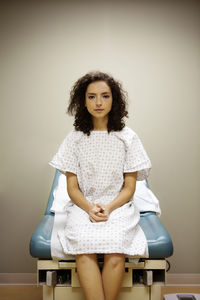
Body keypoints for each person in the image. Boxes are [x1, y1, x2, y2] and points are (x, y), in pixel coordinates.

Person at [49, 71, 152, 300]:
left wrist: (110, 207)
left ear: (114, 99)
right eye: (91, 96)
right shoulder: (74, 139)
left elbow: (129, 188)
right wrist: (89, 208)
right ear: (82, 101)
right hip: (82, 206)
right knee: (84, 248)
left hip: (118, 206)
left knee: (116, 247)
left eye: (105, 96)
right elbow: (72, 189)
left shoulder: (128, 138)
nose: (98, 102)